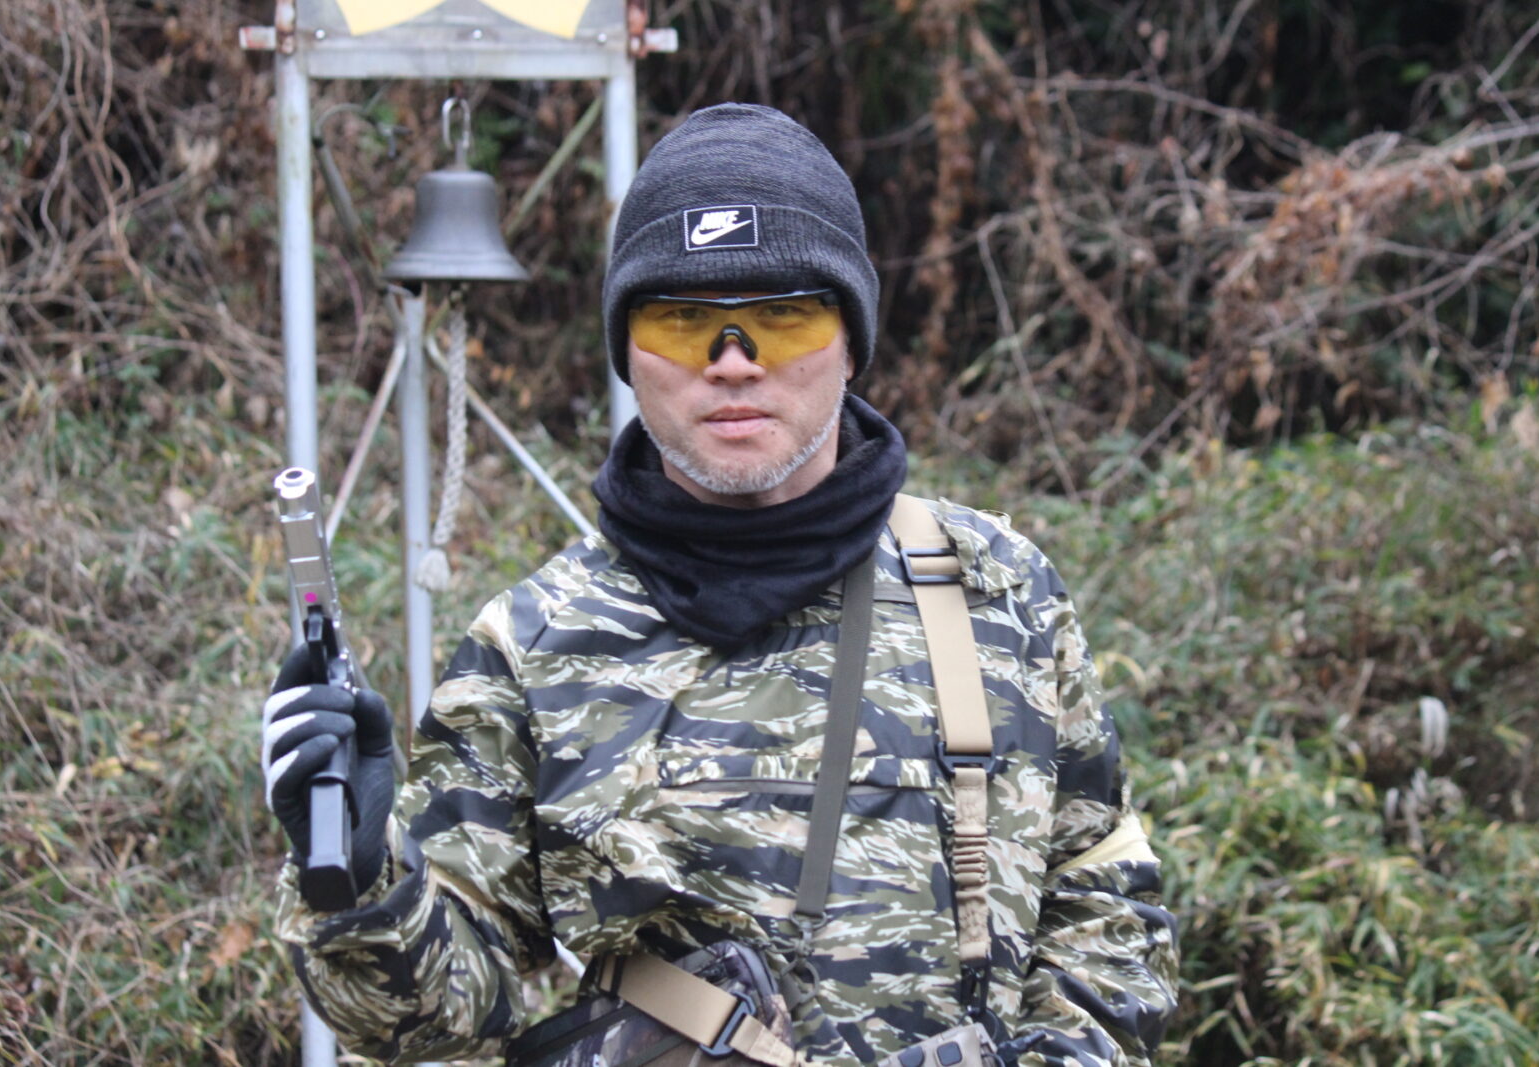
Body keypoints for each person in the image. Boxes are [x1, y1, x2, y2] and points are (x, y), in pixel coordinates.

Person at [262, 103, 1178, 1066]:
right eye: (682, 321)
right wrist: (358, 876)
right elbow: (430, 1019)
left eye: (783, 317)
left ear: (851, 340)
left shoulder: (997, 592)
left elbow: (1103, 899)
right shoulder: (536, 642)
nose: (733, 362)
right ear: (629, 353)